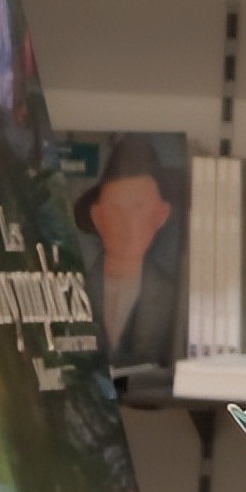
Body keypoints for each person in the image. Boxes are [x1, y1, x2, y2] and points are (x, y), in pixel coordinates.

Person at [74, 135, 181, 368]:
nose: (127, 223)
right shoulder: (71, 291)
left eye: (138, 208)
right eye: (116, 209)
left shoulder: (175, 296)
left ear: (161, 214)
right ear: (97, 216)